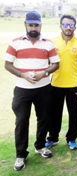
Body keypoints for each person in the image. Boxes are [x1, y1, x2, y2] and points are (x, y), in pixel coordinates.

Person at [4, 11, 60, 171]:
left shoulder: (48, 43)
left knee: (44, 119)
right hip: (23, 89)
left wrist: (45, 72)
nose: (33, 28)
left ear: (40, 25)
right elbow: (7, 65)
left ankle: (40, 145)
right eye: (30, 25)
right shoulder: (15, 43)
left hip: (43, 88)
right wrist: (23, 74)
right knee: (21, 121)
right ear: (25, 25)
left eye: (36, 25)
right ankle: (21, 154)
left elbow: (56, 64)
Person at [46, 14, 77, 150]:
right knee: (54, 113)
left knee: (74, 113)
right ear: (60, 26)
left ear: (75, 27)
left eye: (71, 25)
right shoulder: (52, 42)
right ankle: (53, 138)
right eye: (65, 24)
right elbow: (46, 62)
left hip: (73, 84)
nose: (68, 28)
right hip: (56, 84)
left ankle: (72, 138)